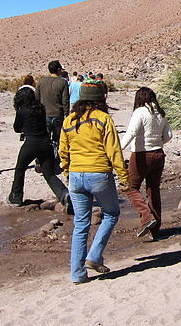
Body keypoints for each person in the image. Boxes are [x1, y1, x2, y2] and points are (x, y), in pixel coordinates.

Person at [59, 80, 130, 284]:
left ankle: (77, 273)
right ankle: (94, 255)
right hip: (99, 174)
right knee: (112, 213)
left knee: (80, 224)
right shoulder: (104, 119)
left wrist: (67, 171)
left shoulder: (69, 120)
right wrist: (124, 178)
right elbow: (114, 152)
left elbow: (63, 151)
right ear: (101, 99)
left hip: (75, 175)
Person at [9, 87, 72, 212]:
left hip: (31, 144)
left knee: (20, 168)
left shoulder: (22, 111)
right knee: (49, 173)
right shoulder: (41, 108)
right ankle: (64, 194)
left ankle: (16, 196)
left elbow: (16, 128)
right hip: (45, 144)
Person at [121, 87, 173, 240]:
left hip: (141, 155)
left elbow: (131, 132)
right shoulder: (160, 113)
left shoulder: (140, 112)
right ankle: (155, 231)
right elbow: (169, 135)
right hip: (158, 154)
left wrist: (118, 149)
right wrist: (157, 143)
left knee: (130, 187)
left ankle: (146, 217)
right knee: (153, 191)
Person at [36, 60, 70, 167]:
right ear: (59, 69)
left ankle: (42, 159)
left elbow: (37, 98)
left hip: (44, 114)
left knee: (44, 137)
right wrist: (67, 115)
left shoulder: (41, 81)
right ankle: (54, 158)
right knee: (56, 138)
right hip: (57, 114)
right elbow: (65, 101)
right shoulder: (63, 82)